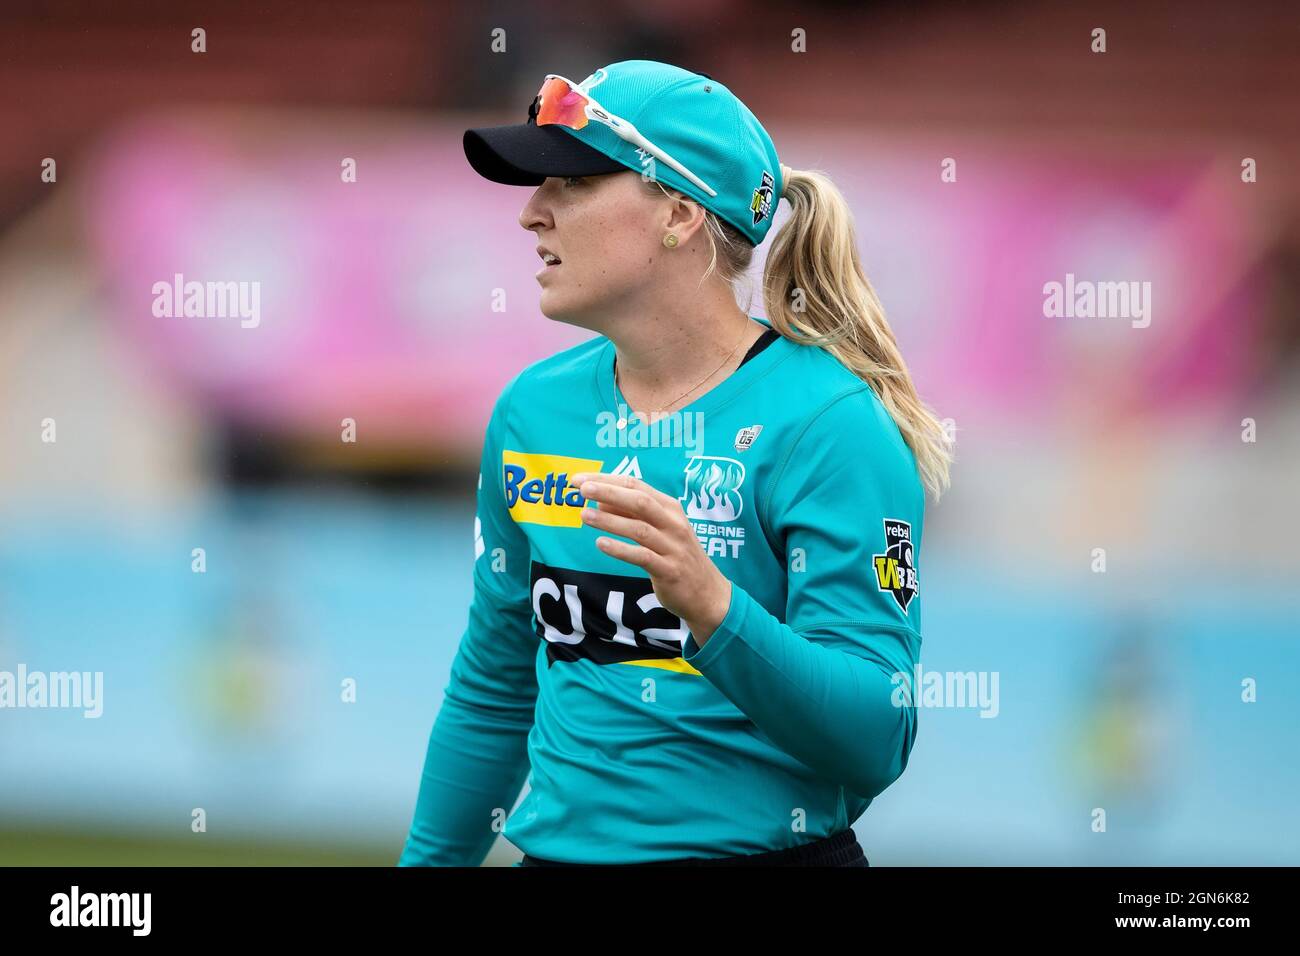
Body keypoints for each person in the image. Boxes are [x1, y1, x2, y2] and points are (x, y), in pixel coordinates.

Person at [399, 59, 951, 867]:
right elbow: (493, 691)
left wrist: (713, 608)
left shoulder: (832, 427)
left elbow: (877, 733)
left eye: (572, 184)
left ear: (680, 214)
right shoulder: (531, 414)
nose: (530, 214)